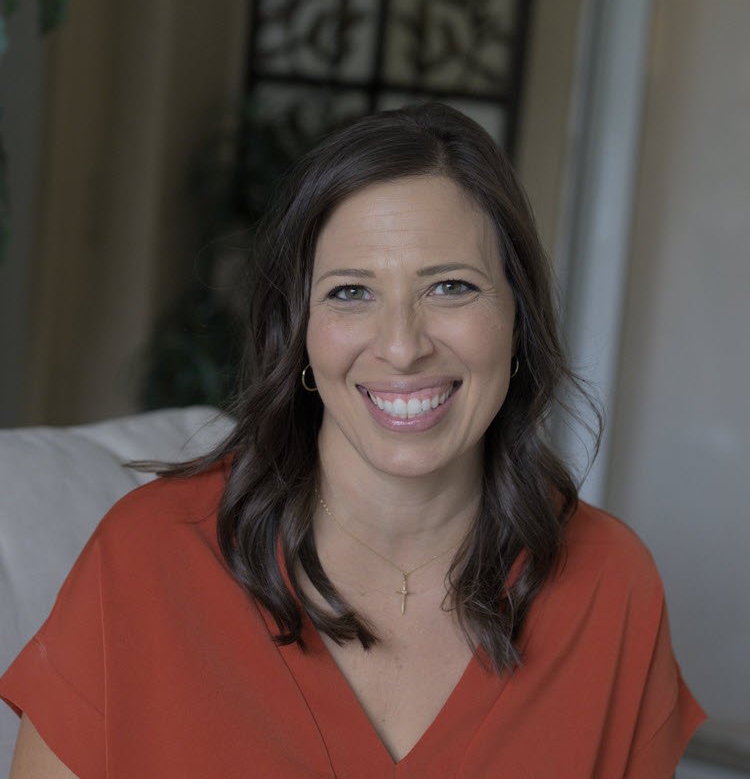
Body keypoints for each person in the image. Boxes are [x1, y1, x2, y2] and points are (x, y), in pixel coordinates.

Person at [1, 103, 705, 777]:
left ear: (517, 320)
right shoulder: (145, 560)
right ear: (299, 333)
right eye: (350, 292)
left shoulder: (612, 587)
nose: (401, 346)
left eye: (451, 287)